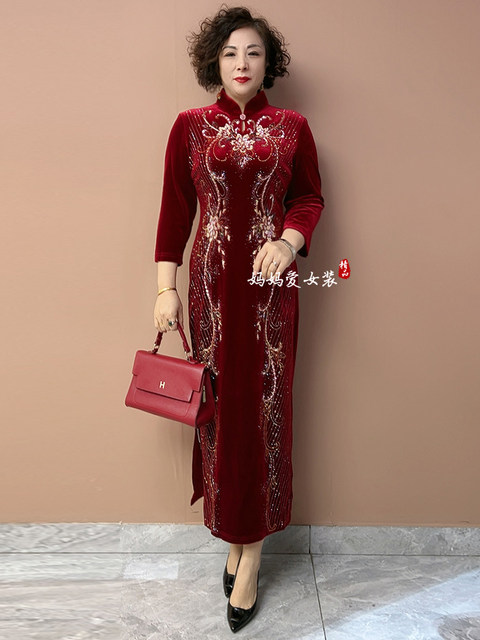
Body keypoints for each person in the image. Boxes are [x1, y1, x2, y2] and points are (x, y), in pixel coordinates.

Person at [153, 6, 324, 633]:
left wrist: (289, 241)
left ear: (267, 62)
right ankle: (235, 536)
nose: (242, 63)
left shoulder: (292, 128)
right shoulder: (189, 127)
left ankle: (250, 556)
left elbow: (308, 197)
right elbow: (175, 213)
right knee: (222, 416)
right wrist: (165, 289)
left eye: (252, 52)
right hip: (210, 294)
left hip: (271, 295)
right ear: (214, 62)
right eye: (230, 53)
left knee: (265, 414)